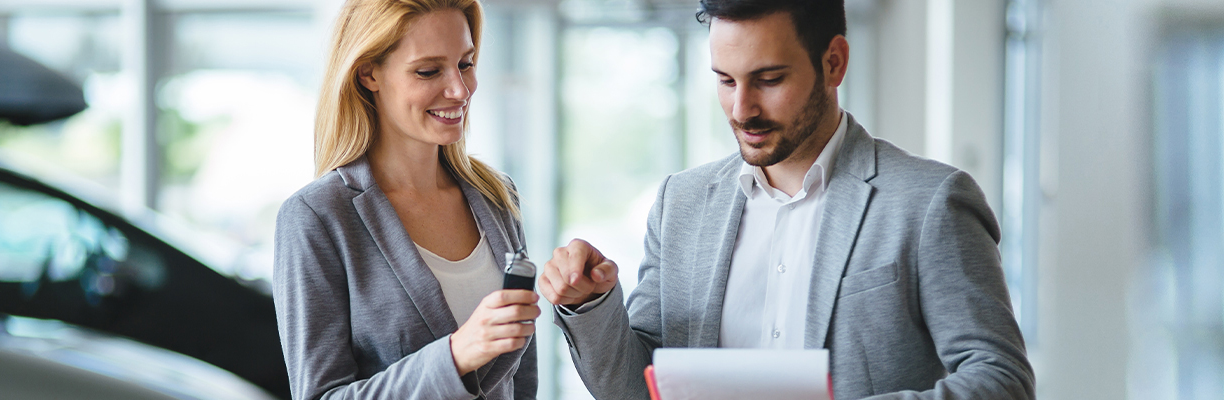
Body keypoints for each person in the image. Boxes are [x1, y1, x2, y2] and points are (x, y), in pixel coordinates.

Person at [538, 0, 1034, 398]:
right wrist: (591, 304)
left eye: (769, 79)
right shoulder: (680, 205)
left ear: (834, 62)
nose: (741, 109)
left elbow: (1001, 380)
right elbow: (637, 389)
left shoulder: (929, 202)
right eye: (725, 80)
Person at [272, 0, 538, 399]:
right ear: (369, 73)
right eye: (428, 71)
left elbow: (521, 380)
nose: (460, 90)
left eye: (465, 64)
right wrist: (455, 356)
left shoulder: (495, 196)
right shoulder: (317, 216)